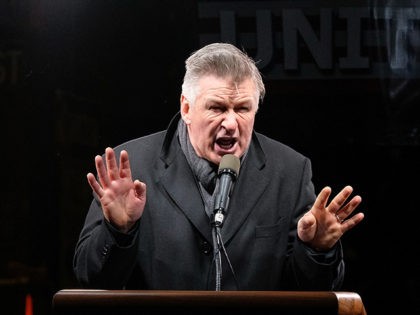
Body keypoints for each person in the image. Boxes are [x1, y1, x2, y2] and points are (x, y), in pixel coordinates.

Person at [73, 42, 364, 291]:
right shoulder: (132, 166)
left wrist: (315, 250)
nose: (231, 123)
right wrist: (118, 231)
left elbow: (312, 291)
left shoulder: (290, 171)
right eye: (217, 108)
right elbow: (91, 280)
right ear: (186, 108)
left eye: (243, 109)